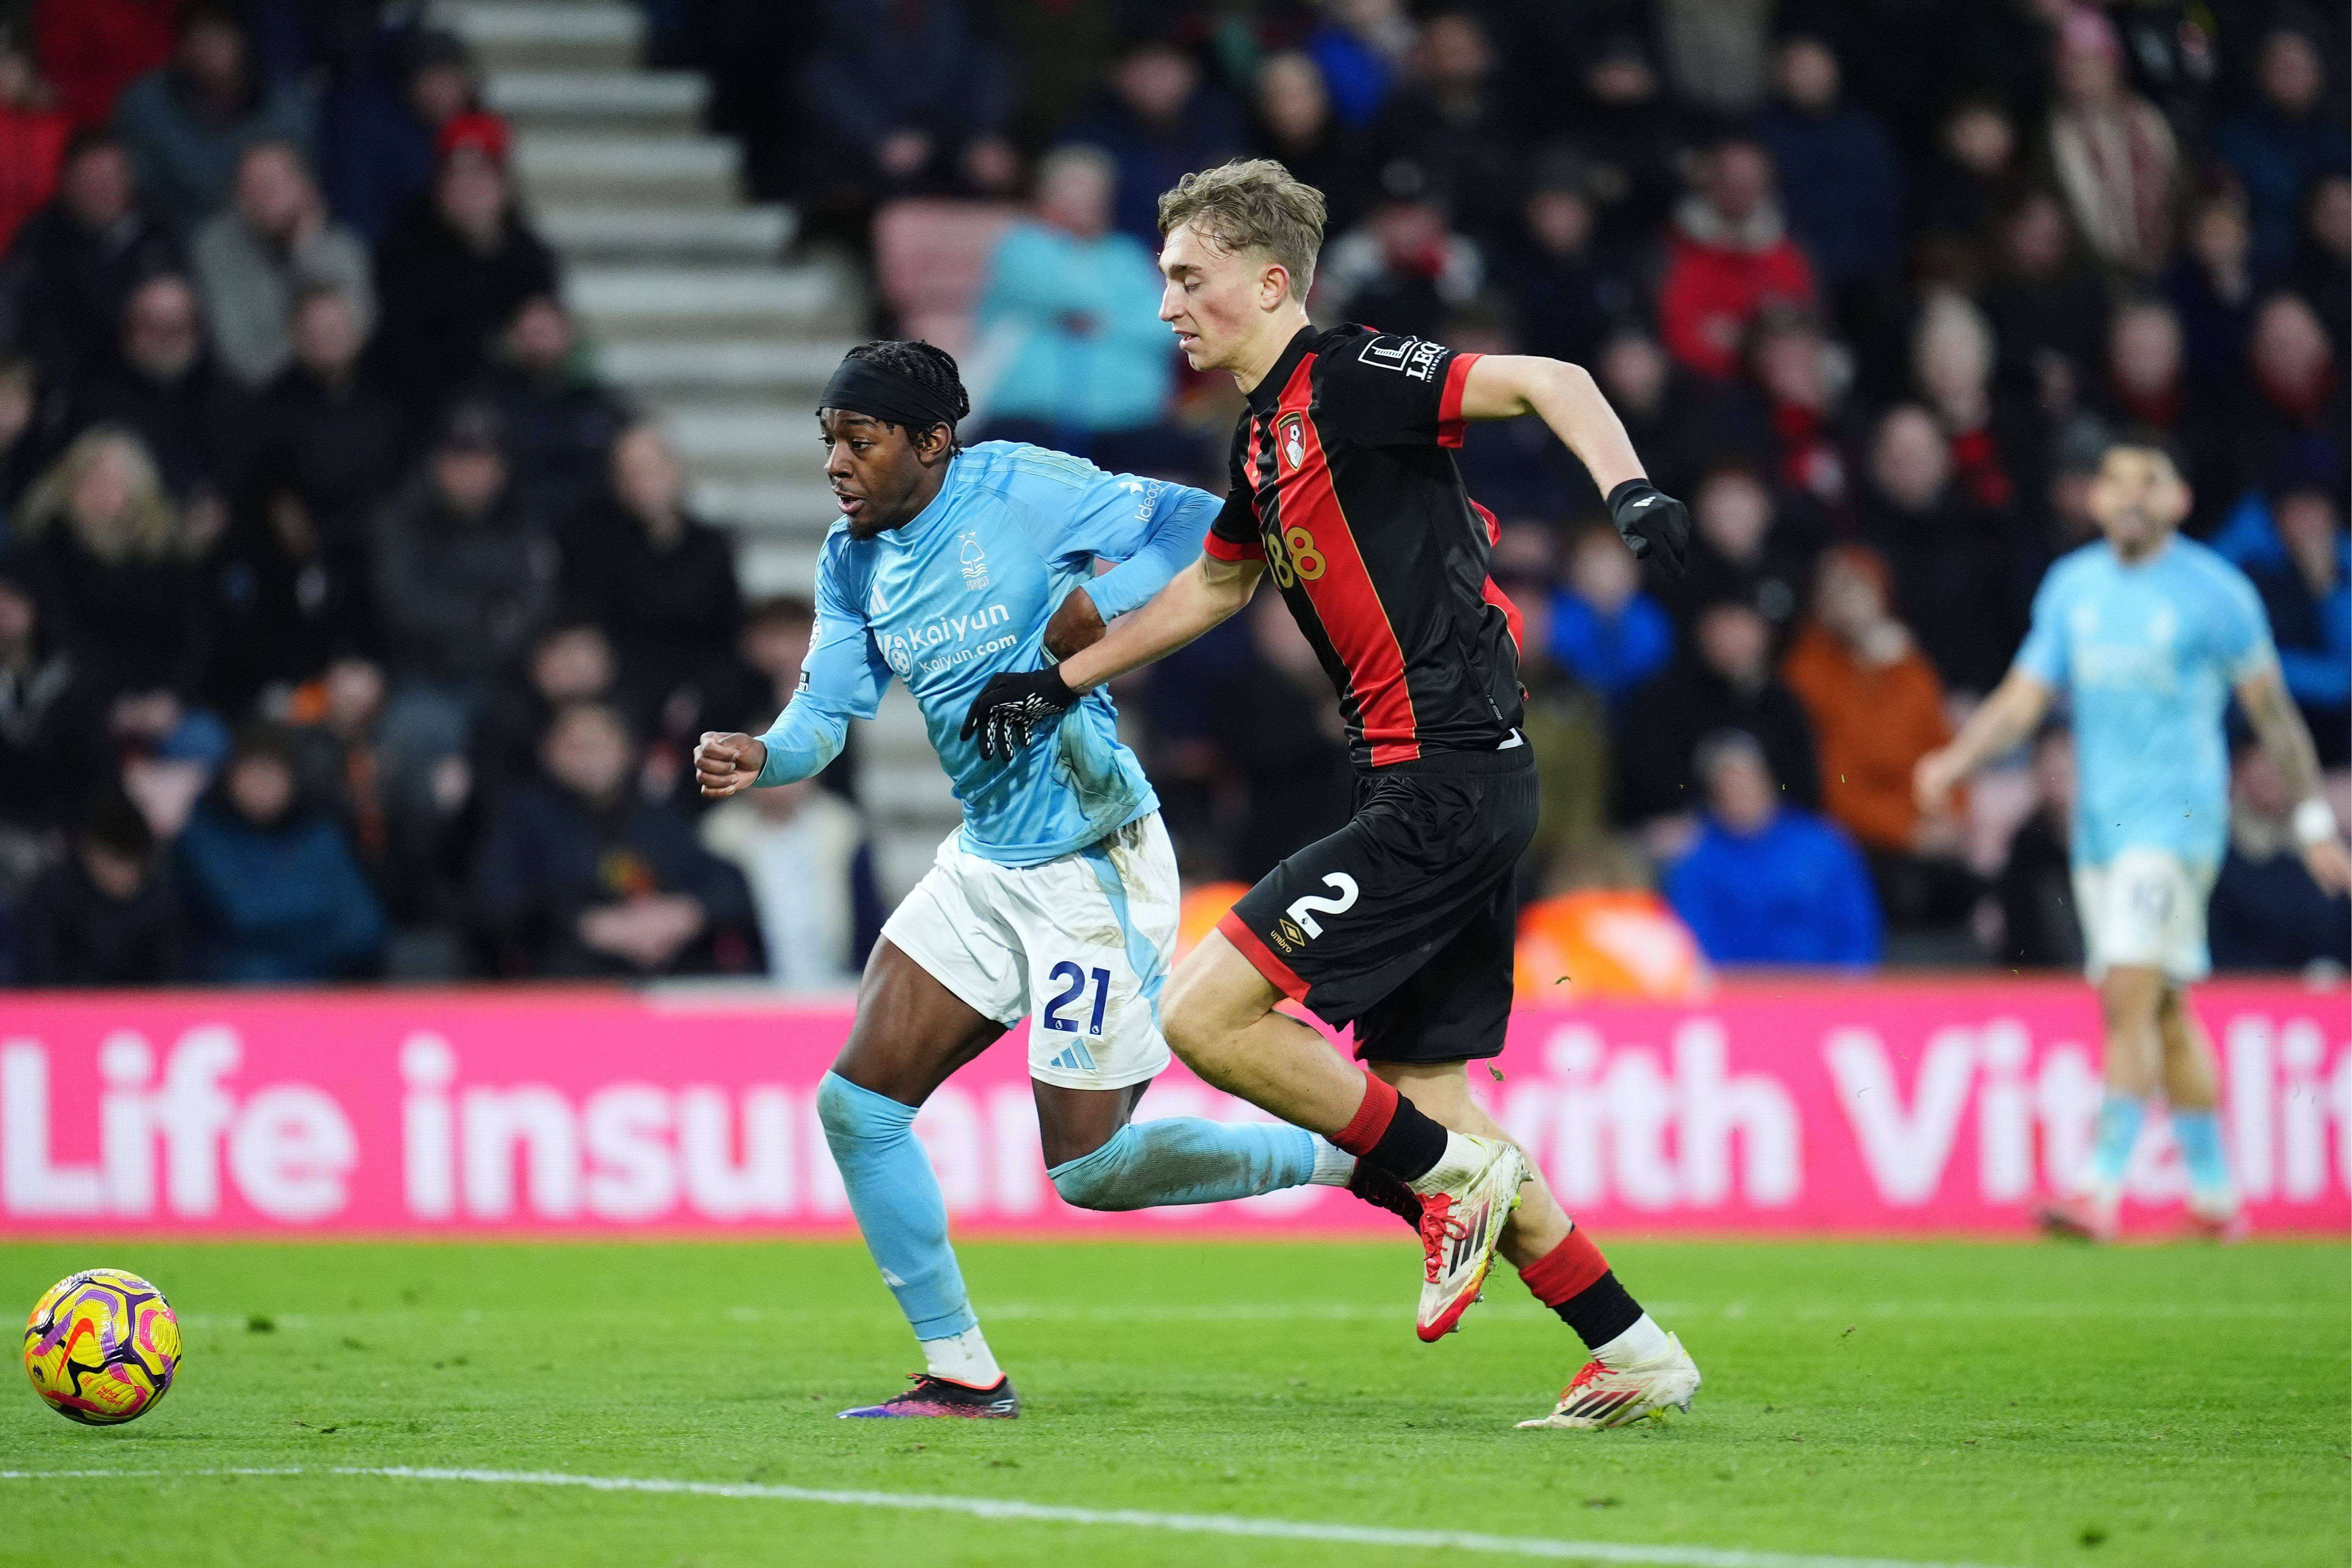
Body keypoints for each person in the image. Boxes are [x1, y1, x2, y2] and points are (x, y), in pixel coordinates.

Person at [959, 160, 1702, 1429]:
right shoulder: (1257, 435)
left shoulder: (1350, 376)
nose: (1167, 308)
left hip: (1444, 774)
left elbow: (1553, 381)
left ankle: (1447, 1180)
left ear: (1266, 282)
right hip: (1435, 775)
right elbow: (1212, 588)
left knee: (1205, 1012)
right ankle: (1629, 1340)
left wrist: (1625, 487)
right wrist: (1056, 676)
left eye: (1187, 280)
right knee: (1432, 1098)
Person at [689, 340, 1363, 1420]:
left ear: (931, 443)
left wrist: (1105, 603)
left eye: (859, 442)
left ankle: (1350, 1159)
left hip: (1094, 859)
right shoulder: (849, 559)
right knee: (858, 1107)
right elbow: (825, 713)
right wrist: (767, 752)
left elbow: (1201, 523)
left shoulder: (1019, 485)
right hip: (988, 860)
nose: (837, 466)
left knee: (1089, 1171)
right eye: (828, 443)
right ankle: (962, 1370)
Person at [1917, 433, 2352, 1242]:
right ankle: (2219, 1200)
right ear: (2092, 499)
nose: (2128, 496)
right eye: (2115, 483)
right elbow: (2023, 697)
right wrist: (1957, 759)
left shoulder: (2214, 593)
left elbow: (2272, 715)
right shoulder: (2073, 586)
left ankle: (2098, 1189)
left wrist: (2311, 820)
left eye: (2148, 482)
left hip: (2178, 823)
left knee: (2124, 989)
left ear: (2178, 500)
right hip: (2098, 832)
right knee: (2164, 1010)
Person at [476, 700, 753, 977]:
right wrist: (585, 924)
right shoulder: (523, 818)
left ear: (628, 751)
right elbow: (498, 905)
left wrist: (687, 912)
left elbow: (726, 882)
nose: (589, 758)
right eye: (576, 747)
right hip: (567, 973)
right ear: (548, 752)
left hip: (669, 966)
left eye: (600, 746)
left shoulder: (656, 813)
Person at [969, 146, 1180, 470]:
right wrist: (1113, 314)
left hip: (1128, 418)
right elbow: (1065, 295)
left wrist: (1103, 322)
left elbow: (1165, 325)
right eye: (1072, 191)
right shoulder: (1021, 246)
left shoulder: (1126, 255)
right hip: (1032, 417)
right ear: (1045, 197)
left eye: (1094, 193)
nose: (1085, 203)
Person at [175, 721, 386, 982]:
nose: (263, 784)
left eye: (274, 773)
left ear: (293, 779)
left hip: (321, 991)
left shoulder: (319, 836)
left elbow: (366, 930)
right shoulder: (203, 835)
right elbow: (247, 916)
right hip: (226, 995)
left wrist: (286, 936)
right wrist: (322, 916)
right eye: (253, 772)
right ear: (231, 777)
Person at [1664, 730, 1881, 967]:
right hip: (1737, 996)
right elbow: (1694, 945)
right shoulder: (1697, 859)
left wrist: (1845, 991)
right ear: (1713, 797)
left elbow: (1857, 932)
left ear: (1768, 781)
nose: (1739, 797)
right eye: (1727, 789)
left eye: (1747, 783)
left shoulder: (1823, 845)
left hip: (1822, 993)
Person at [109, 1, 311, 234]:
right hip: (176, 244)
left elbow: (302, 192)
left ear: (242, 39)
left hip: (274, 240)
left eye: (219, 34)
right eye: (198, 37)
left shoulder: (286, 104)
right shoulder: (145, 106)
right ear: (182, 48)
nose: (210, 48)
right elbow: (143, 196)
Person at [0, 129, 180, 388]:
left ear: (129, 180)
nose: (101, 189)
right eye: (89, 179)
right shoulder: (39, 240)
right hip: (60, 385)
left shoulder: (161, 233)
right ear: (67, 184)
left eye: (110, 177)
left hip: (150, 383)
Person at [188, 139, 371, 389]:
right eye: (254, 186)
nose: (268, 196)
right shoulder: (216, 248)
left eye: (279, 181)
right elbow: (246, 361)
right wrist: (315, 343)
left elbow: (359, 337)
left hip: (339, 395)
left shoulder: (340, 247)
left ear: (306, 187)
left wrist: (305, 250)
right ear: (237, 199)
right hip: (259, 402)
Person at [15, 787, 188, 985]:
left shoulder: (159, 901)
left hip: (138, 1010)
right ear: (89, 853)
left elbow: (168, 978)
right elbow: (41, 974)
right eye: (115, 861)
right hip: (65, 1008)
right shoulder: (51, 896)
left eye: (133, 863)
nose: (125, 875)